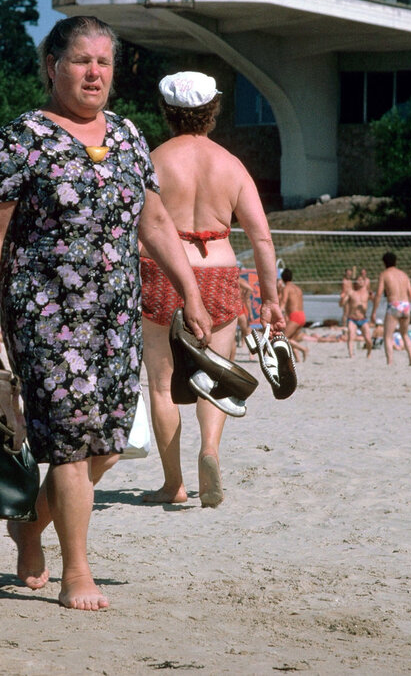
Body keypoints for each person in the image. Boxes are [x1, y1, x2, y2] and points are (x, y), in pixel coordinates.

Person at [0, 16, 214, 611]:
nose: (93, 72)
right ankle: (76, 572)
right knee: (70, 443)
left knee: (107, 442)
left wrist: (191, 290)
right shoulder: (21, 138)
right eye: (81, 60)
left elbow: (154, 221)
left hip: (116, 313)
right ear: (52, 65)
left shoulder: (129, 137)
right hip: (44, 309)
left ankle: (31, 522)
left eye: (103, 62)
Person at [136, 70, 283, 508]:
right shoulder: (231, 164)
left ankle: (173, 484)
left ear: (167, 111)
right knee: (214, 376)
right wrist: (271, 301)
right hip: (218, 271)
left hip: (161, 269)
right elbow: (261, 238)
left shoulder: (151, 159)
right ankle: (210, 452)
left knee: (161, 386)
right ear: (213, 111)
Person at [371, 251, 411, 366]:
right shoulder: (404, 274)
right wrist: (407, 303)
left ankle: (390, 362)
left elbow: (379, 293)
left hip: (394, 304)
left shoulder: (384, 274)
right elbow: (410, 293)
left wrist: (374, 311)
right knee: (405, 334)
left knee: (388, 336)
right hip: (406, 304)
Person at [279, 268, 309, 361]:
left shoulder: (286, 288)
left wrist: (278, 313)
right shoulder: (298, 289)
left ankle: (304, 349)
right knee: (292, 339)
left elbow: (283, 302)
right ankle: (297, 359)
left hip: (294, 316)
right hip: (302, 315)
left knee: (283, 338)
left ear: (282, 278)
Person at [344, 272, 373, 358]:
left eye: (361, 280)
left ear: (364, 282)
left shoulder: (367, 293)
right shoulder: (352, 292)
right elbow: (341, 303)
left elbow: (375, 301)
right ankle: (350, 354)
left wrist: (372, 298)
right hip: (352, 318)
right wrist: (343, 299)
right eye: (358, 280)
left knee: (368, 339)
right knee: (351, 336)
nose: (359, 282)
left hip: (363, 319)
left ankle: (369, 353)